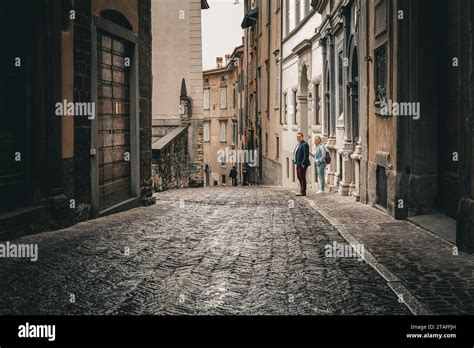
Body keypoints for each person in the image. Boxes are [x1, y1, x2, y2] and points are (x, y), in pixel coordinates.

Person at [293, 132, 310, 196]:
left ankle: (303, 192)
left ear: (302, 137)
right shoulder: (299, 144)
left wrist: (303, 164)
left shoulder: (304, 144)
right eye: (297, 137)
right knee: (299, 177)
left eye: (299, 137)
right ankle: (301, 190)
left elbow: (306, 155)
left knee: (302, 177)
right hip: (298, 163)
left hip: (302, 164)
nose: (298, 138)